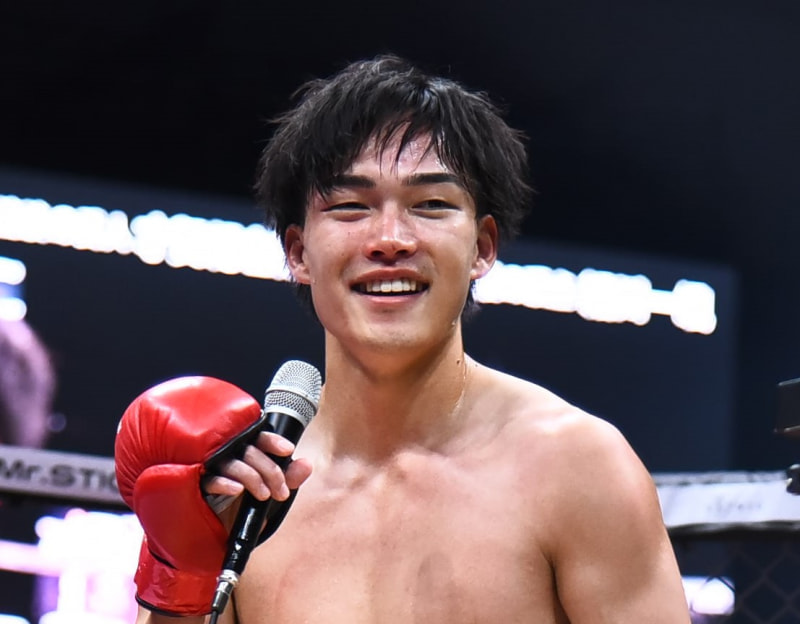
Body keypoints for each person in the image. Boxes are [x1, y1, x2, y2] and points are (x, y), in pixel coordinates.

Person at [118, 55, 691, 623]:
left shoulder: (578, 468)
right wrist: (181, 568)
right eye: (350, 206)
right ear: (298, 253)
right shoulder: (248, 491)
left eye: (431, 205)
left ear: (482, 248)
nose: (390, 239)